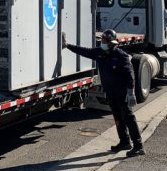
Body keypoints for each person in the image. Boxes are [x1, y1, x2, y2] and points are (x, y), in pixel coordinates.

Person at [62, 29, 145, 157]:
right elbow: (84, 51)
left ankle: (138, 146)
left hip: (122, 94)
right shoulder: (99, 53)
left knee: (128, 118)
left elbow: (129, 76)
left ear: (112, 43)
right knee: (118, 118)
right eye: (103, 40)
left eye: (105, 41)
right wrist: (67, 46)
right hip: (111, 93)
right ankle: (124, 141)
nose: (103, 43)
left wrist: (130, 92)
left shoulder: (120, 56)